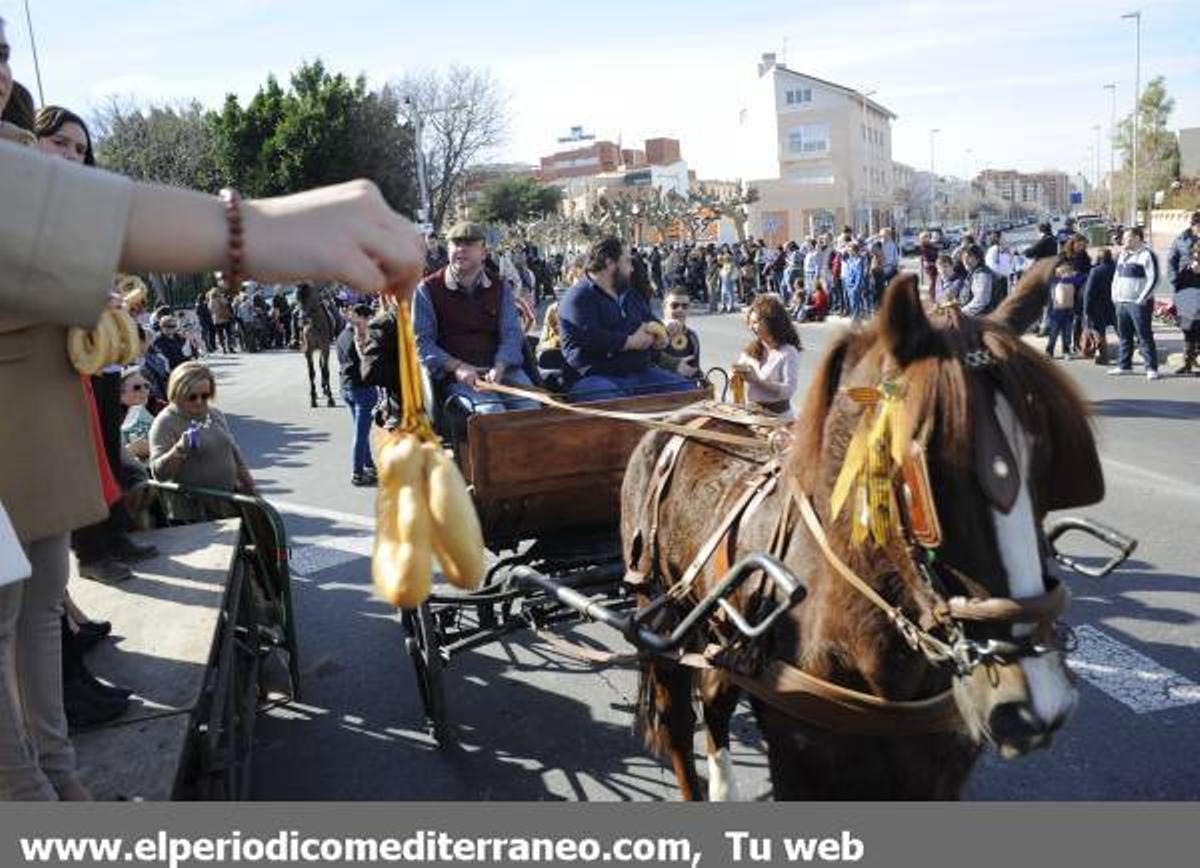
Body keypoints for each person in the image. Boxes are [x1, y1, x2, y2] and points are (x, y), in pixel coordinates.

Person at [1, 22, 423, 800]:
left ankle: (62, 784)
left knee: (32, 610)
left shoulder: (18, 157)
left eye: (0, 48)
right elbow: (27, 208)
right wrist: (255, 229)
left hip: (33, 446)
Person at [413, 222, 537, 415]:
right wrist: (458, 367)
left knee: (532, 408)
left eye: (469, 244)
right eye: (456, 244)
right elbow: (423, 344)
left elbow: (512, 333)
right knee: (492, 412)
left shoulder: (500, 287)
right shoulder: (427, 290)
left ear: (484, 253)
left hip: (503, 371)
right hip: (457, 377)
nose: (461, 249)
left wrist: (500, 365)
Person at [558, 237, 694, 401]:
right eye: (627, 261)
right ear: (609, 263)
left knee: (690, 393)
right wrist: (629, 341)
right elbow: (592, 338)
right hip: (595, 377)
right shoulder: (578, 297)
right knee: (616, 404)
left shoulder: (628, 294)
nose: (631, 269)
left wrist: (661, 335)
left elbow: (650, 320)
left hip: (639, 373)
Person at [148, 362, 257, 522]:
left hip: (229, 503)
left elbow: (233, 451)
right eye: (192, 397)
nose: (199, 401)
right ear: (177, 392)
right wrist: (179, 449)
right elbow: (159, 474)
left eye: (205, 396)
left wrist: (251, 488)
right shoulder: (165, 422)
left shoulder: (214, 414)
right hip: (194, 514)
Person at [734, 295, 803, 418]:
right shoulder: (750, 350)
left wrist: (758, 382)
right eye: (750, 323)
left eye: (755, 323)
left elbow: (788, 390)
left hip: (778, 419)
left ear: (770, 322)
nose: (751, 327)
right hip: (752, 416)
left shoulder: (788, 352)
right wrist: (734, 376)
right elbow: (737, 370)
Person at [335, 304, 379, 486]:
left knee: (361, 431)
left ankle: (369, 465)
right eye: (369, 318)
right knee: (361, 435)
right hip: (362, 389)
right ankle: (357, 473)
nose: (370, 322)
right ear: (361, 317)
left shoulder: (341, 336)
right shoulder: (360, 336)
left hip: (346, 388)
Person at [1109, 227, 1160, 380]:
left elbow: (1155, 278)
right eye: (1124, 238)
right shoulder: (1122, 255)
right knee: (1124, 335)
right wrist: (1115, 295)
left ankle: (1151, 367)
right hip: (1121, 302)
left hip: (1138, 303)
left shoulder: (1147, 255)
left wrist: (1142, 298)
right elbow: (1116, 277)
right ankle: (1124, 365)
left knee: (1144, 335)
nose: (1124, 241)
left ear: (1138, 238)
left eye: (1128, 238)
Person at [655, 289, 702, 381]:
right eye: (674, 305)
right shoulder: (653, 332)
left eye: (684, 306)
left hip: (685, 390)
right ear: (664, 307)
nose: (680, 310)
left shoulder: (692, 337)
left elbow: (695, 370)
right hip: (658, 389)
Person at [1082, 249, 1117, 365]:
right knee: (1121, 331)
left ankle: (1103, 356)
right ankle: (1126, 354)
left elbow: (1089, 292)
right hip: (1115, 304)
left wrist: (1086, 310)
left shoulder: (1095, 271)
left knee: (1099, 332)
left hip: (1098, 306)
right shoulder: (1116, 269)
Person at [1171, 241, 1200, 375]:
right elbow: (1178, 289)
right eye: (1195, 256)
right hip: (1188, 309)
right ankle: (1187, 364)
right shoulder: (1185, 270)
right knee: (1189, 337)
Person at [119, 368, 155, 463]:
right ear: (121, 392)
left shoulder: (160, 408)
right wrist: (131, 450)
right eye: (137, 387)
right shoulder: (111, 416)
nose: (144, 391)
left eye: (147, 386)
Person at [1045, 262, 1079, 359]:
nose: (1069, 274)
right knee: (1053, 334)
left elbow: (1082, 278)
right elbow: (1051, 280)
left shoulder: (1072, 281)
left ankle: (1066, 351)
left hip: (1068, 312)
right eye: (1067, 272)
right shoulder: (1054, 281)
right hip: (1056, 312)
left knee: (1067, 334)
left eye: (1070, 272)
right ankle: (1049, 351)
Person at [960, 245, 998, 317]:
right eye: (963, 258)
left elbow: (981, 300)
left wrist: (961, 313)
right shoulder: (973, 273)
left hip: (981, 318)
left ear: (978, 258)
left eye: (969, 257)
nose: (965, 260)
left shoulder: (982, 274)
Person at [1167, 211, 1200, 288]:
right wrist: (1174, 281)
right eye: (1198, 227)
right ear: (1192, 225)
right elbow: (1171, 261)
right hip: (1185, 282)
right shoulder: (1180, 240)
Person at [917, 231, 939, 297]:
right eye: (924, 237)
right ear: (921, 238)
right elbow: (924, 259)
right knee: (932, 281)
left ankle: (934, 295)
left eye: (927, 236)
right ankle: (931, 295)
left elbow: (936, 253)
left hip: (935, 264)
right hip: (930, 266)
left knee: (935, 281)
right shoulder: (922, 247)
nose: (926, 238)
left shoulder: (931, 245)